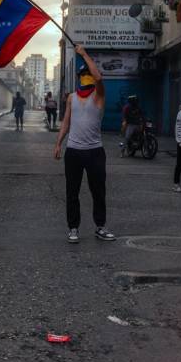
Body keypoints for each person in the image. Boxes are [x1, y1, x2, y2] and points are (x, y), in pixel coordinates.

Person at [54, 46, 116, 244]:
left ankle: (100, 227)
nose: (86, 77)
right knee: (72, 192)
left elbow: (98, 78)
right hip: (73, 151)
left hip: (95, 152)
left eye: (87, 74)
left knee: (98, 191)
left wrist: (84, 54)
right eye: (83, 74)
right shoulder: (72, 97)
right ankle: (73, 228)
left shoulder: (98, 96)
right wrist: (58, 144)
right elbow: (66, 121)